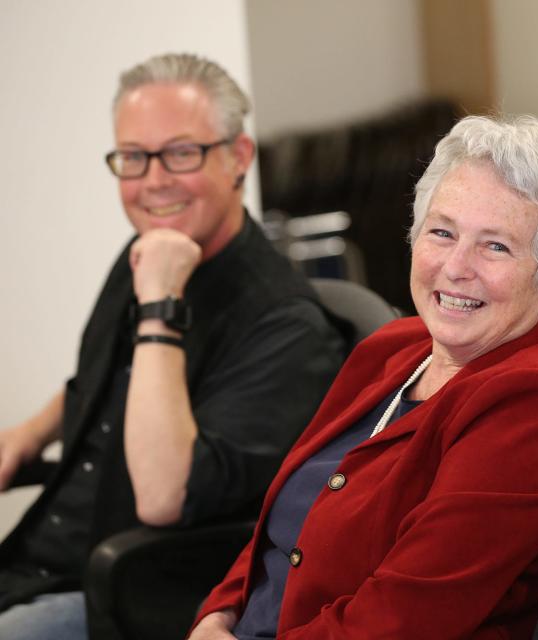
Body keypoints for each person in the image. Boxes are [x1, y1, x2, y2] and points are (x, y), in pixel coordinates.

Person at [189, 114, 538, 639]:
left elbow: (402, 621)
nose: (456, 266)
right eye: (442, 232)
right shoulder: (392, 350)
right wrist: (216, 614)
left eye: (495, 245)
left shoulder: (533, 409)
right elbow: (287, 521)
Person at [0, 53, 347, 637]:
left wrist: (160, 301)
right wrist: (26, 435)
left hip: (133, 593)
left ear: (238, 157)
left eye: (181, 152)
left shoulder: (284, 325)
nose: (153, 181)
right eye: (133, 158)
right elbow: (100, 378)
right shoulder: (148, 250)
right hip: (42, 560)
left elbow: (165, 496)